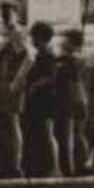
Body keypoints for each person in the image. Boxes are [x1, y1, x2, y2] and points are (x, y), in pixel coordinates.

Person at [0, 2, 31, 177]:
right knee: (7, 124)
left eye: (8, 14)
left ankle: (16, 165)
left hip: (11, 84)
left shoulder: (17, 32)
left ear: (16, 15)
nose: (4, 18)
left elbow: (30, 57)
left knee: (13, 123)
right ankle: (9, 163)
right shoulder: (6, 34)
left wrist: (17, 80)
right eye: (2, 15)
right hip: (3, 84)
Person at [51, 26, 91, 177]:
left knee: (67, 136)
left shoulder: (68, 60)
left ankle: (69, 168)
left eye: (66, 40)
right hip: (81, 99)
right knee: (78, 135)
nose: (62, 42)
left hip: (69, 100)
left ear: (73, 43)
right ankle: (82, 164)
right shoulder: (80, 60)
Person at [21, 21, 58, 178]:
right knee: (40, 133)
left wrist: (34, 85)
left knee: (48, 132)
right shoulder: (39, 55)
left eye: (35, 37)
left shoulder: (48, 56)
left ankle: (54, 167)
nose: (33, 41)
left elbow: (51, 77)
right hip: (37, 99)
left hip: (45, 99)